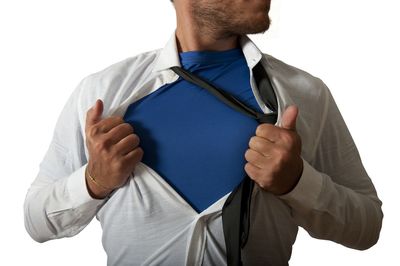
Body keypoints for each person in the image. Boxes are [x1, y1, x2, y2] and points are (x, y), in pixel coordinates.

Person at [24, 0, 383, 265]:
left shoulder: (306, 94)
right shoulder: (104, 93)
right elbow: (36, 221)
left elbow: (367, 227)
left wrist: (298, 182)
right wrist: (93, 181)